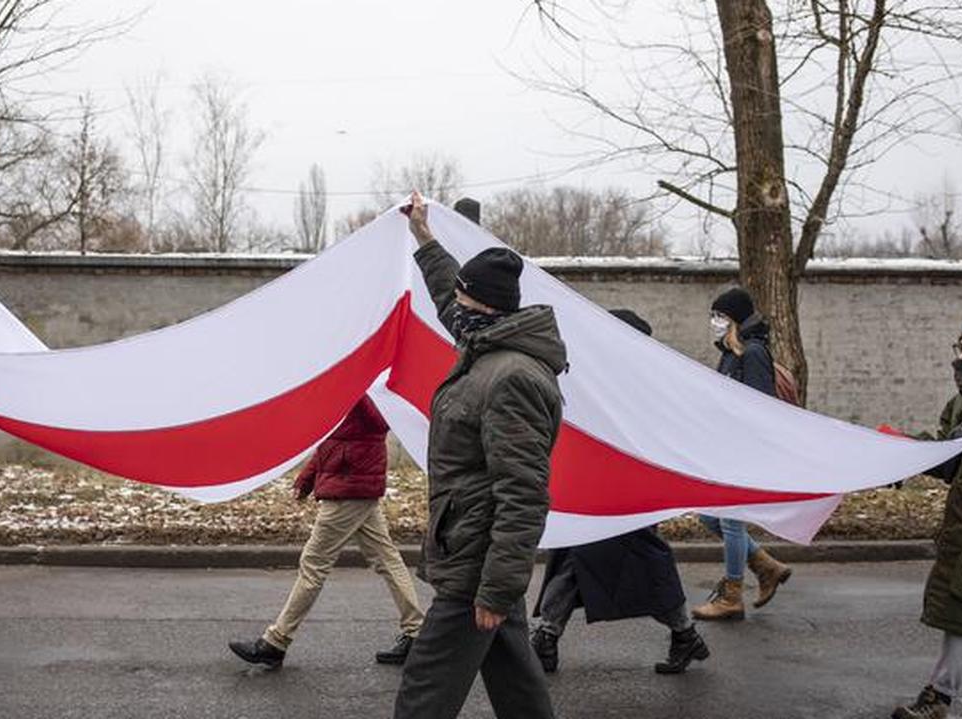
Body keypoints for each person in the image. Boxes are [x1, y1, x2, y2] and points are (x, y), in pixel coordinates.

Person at [392, 192, 565, 719]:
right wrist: (424, 237)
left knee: (424, 688)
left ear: (486, 309)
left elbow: (523, 493)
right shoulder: (485, 343)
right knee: (516, 684)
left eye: (464, 302)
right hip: (476, 548)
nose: (455, 310)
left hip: (476, 560)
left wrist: (495, 588)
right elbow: (450, 296)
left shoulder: (512, 377)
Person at [530, 308, 709, 675]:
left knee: (638, 564)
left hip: (628, 495)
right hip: (596, 490)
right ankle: (547, 635)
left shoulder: (640, 386)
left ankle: (684, 633)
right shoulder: (607, 380)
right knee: (577, 557)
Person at [228, 396, 424, 668]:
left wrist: (359, 389)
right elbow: (331, 439)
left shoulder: (367, 391)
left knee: (314, 564)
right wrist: (307, 478)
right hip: (352, 485)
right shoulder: (347, 388)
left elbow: (379, 422)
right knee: (388, 560)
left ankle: (275, 642)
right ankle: (416, 632)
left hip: (349, 488)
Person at [891, 319, 962, 719]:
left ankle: (938, 698)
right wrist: (903, 451)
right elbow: (948, 459)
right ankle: (939, 699)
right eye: (961, 348)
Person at [691, 287, 794, 621]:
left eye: (720, 316)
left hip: (742, 449)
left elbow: (759, 406)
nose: (714, 321)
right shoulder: (731, 352)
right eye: (713, 316)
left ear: (734, 318)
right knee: (709, 516)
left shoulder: (753, 353)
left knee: (730, 520)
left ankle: (732, 596)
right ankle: (765, 566)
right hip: (724, 446)